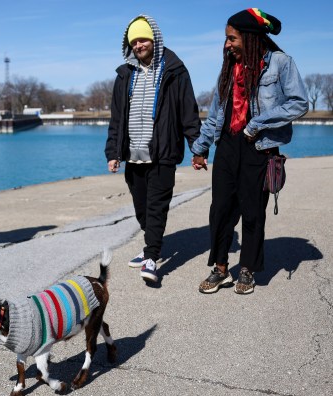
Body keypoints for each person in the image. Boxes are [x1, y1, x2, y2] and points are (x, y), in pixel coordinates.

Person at [192, 8, 308, 294]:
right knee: (219, 210)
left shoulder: (281, 63)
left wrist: (257, 123)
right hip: (228, 146)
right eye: (226, 39)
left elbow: (299, 102)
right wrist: (201, 147)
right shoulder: (229, 68)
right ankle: (220, 269)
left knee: (253, 211)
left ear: (249, 36)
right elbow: (216, 114)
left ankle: (247, 269)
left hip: (260, 147)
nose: (227, 44)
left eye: (232, 38)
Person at [105, 15, 201, 284]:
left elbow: (188, 112)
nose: (138, 44)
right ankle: (152, 243)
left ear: (155, 39)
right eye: (134, 41)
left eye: (143, 39)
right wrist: (113, 152)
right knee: (142, 208)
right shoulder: (124, 75)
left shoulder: (174, 70)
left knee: (157, 206)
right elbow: (116, 119)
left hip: (163, 153)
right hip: (133, 155)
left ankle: (151, 256)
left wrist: (197, 147)